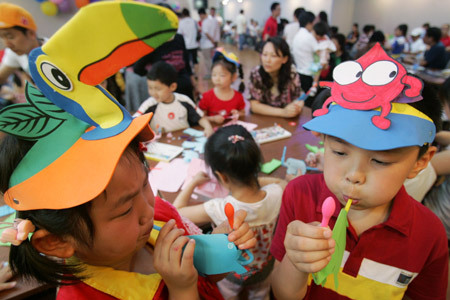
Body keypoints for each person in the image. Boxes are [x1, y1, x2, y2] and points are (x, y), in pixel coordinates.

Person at [0, 4, 257, 298]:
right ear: (57, 241)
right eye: (123, 208)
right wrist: (182, 288)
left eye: (145, 184)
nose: (148, 209)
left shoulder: (160, 212)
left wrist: (223, 245)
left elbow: (208, 272)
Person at [270, 45, 448, 299]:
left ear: (420, 162)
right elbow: (283, 293)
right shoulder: (299, 195)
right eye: (340, 153)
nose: (354, 175)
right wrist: (296, 263)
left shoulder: (429, 235)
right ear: (324, 142)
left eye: (380, 161)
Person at [173, 124, 287, 300]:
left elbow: (177, 211)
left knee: (226, 296)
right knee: (261, 295)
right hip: (264, 269)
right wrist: (253, 179)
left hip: (230, 274)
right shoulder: (277, 194)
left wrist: (193, 183)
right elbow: (281, 183)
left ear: (222, 177)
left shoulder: (220, 207)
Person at [134, 61, 213, 136]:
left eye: (158, 89)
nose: (153, 93)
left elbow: (200, 118)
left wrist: (208, 128)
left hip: (183, 140)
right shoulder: (149, 105)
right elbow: (134, 122)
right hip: (159, 145)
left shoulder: (184, 100)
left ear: (173, 87)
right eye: (150, 88)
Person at [249, 37, 303, 118]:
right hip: (262, 118)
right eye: (264, 55)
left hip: (285, 122)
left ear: (284, 59)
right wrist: (283, 112)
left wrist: (296, 107)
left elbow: (299, 98)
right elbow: (254, 106)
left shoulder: (292, 73)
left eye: (273, 56)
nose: (267, 60)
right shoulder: (256, 73)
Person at [0, 3, 44, 84]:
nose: (7, 44)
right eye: (2, 37)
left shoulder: (53, 51)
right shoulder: (14, 53)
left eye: (10, 37)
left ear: (31, 33)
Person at [199, 49, 245, 124]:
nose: (217, 79)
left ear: (233, 77)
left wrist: (237, 113)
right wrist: (213, 119)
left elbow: (243, 113)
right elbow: (201, 117)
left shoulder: (238, 97)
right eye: (214, 75)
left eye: (222, 75)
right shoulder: (207, 97)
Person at [291, 11, 318, 103]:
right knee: (309, 103)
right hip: (309, 75)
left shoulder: (297, 36)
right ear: (309, 23)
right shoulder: (309, 37)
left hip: (299, 72)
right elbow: (318, 56)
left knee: (301, 101)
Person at [177, 8, 199, 74]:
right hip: (194, 45)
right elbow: (198, 32)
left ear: (183, 14)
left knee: (186, 61)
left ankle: (189, 74)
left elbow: (179, 34)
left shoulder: (181, 22)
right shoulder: (194, 21)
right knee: (195, 61)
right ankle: (196, 75)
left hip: (185, 45)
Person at [198, 8, 217, 79]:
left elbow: (206, 33)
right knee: (210, 59)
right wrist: (213, 41)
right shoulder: (211, 21)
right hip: (210, 44)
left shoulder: (205, 22)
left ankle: (210, 74)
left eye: (200, 16)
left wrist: (212, 40)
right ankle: (213, 73)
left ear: (202, 14)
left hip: (206, 44)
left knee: (207, 60)